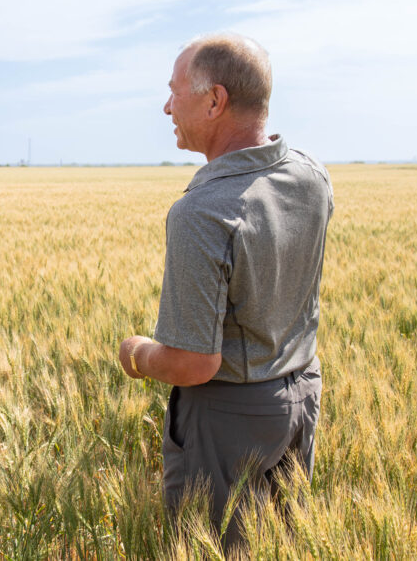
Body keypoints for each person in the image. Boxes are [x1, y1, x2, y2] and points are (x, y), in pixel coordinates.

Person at [118, 33, 332, 550]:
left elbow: (193, 364)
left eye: (175, 93)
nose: (167, 106)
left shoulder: (204, 210)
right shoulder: (309, 174)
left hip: (229, 417)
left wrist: (138, 354)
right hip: (301, 395)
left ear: (214, 101)